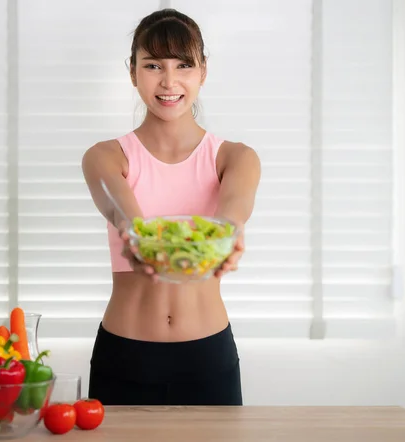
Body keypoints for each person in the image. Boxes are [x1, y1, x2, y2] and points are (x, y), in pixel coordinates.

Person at [81, 8, 261, 406]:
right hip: (124, 356)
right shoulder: (105, 156)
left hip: (208, 357)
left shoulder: (236, 157)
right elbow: (121, 209)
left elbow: (234, 208)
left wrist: (228, 236)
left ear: (203, 71)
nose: (169, 81)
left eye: (183, 65)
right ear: (132, 72)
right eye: (152, 65)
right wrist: (134, 234)